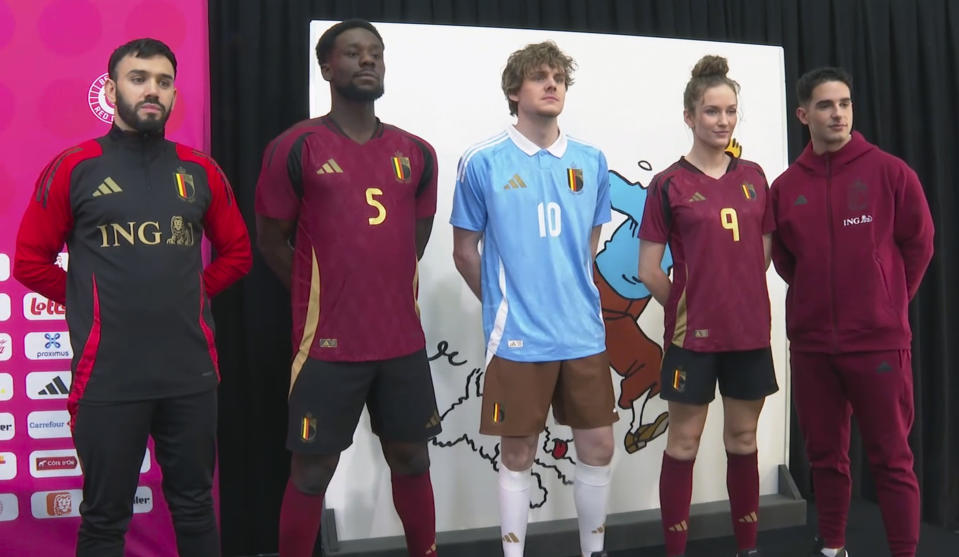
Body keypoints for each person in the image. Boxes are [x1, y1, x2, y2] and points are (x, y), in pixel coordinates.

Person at [13, 38, 252, 557]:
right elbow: (29, 261)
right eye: (138, 78)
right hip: (108, 376)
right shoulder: (75, 166)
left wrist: (189, 293)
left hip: (190, 374)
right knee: (104, 519)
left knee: (194, 507)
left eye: (164, 82)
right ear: (111, 87)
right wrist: (88, 299)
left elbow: (238, 254)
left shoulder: (200, 170)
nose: (153, 91)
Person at [255, 19, 441, 557]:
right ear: (327, 67)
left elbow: (416, 239)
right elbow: (271, 241)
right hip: (327, 345)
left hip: (401, 343)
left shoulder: (418, 152)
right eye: (354, 53)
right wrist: (326, 293)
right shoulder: (297, 146)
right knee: (312, 471)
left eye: (375, 53)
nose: (367, 61)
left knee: (413, 459)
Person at [451, 41, 615, 557]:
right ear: (513, 91)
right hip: (518, 337)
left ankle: (593, 551)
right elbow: (464, 251)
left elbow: (588, 243)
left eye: (559, 78)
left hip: (582, 332)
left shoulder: (591, 160)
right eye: (539, 77)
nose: (552, 85)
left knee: (599, 446)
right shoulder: (483, 161)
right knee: (518, 451)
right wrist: (504, 304)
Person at [770, 67, 934, 557]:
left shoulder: (889, 171)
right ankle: (833, 547)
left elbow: (919, 244)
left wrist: (888, 302)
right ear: (803, 115)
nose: (837, 113)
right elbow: (785, 260)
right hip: (815, 345)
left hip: (879, 342)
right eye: (825, 105)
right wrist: (814, 303)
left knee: (892, 458)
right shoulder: (785, 187)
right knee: (825, 457)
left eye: (844, 103)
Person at [637, 55, 778, 557]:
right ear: (689, 117)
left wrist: (732, 293)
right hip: (690, 340)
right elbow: (650, 268)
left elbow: (760, 253)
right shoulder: (668, 184)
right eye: (712, 111)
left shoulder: (756, 177)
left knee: (742, 440)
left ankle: (748, 548)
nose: (722, 121)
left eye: (730, 111)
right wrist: (687, 302)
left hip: (748, 336)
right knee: (684, 445)